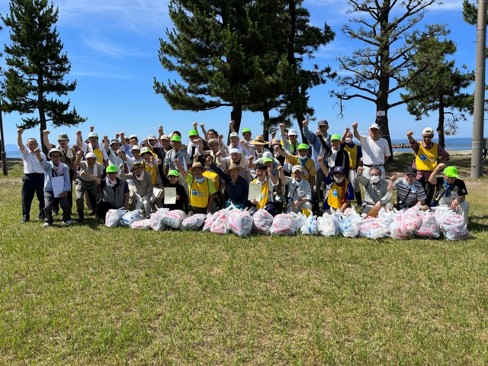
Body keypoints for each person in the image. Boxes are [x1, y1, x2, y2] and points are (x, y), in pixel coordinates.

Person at [406, 127, 449, 204]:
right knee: (416, 191)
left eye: (429, 136)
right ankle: (416, 207)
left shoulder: (436, 147)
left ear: (432, 136)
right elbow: (412, 142)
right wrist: (409, 136)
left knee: (429, 192)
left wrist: (440, 163)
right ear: (422, 136)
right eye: (425, 136)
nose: (427, 138)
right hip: (419, 173)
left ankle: (427, 206)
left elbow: (446, 155)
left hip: (431, 173)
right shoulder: (419, 146)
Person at [36, 148, 72, 227]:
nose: (56, 158)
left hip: (61, 190)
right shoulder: (47, 165)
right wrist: (38, 154)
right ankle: (48, 221)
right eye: (53, 156)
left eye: (57, 156)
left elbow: (67, 180)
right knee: (47, 206)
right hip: (49, 190)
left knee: (65, 204)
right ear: (50, 157)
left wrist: (65, 191)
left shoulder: (64, 167)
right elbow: (41, 161)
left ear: (60, 157)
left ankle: (67, 219)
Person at [42, 130, 76, 210]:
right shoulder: (55, 148)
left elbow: (74, 162)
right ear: (58, 141)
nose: (63, 142)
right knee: (55, 190)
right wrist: (45, 135)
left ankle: (68, 209)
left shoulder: (72, 150)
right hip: (56, 172)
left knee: (68, 191)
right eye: (61, 140)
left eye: (64, 140)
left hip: (68, 172)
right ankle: (55, 209)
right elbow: (47, 144)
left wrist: (75, 172)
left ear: (67, 141)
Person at [18, 128, 46, 223]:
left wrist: (37, 154)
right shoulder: (25, 153)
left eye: (34, 144)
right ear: (27, 145)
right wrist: (19, 134)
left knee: (42, 197)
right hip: (28, 177)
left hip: (40, 177)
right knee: (26, 198)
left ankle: (42, 214)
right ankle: (25, 216)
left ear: (37, 145)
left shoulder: (42, 154)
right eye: (30, 144)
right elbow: (20, 145)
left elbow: (44, 165)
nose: (32, 146)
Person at [74, 151, 104, 222]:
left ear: (95, 159)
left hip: (93, 183)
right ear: (86, 159)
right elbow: (77, 163)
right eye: (88, 159)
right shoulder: (84, 163)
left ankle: (98, 214)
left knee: (99, 198)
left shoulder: (99, 166)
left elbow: (99, 177)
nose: (90, 161)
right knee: (79, 199)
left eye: (92, 159)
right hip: (81, 182)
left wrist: (99, 187)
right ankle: (80, 215)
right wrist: (78, 156)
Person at [342, 127, 363, 205]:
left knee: (355, 184)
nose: (348, 138)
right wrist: (345, 132)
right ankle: (347, 202)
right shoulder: (343, 146)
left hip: (353, 168)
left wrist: (358, 168)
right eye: (347, 136)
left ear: (352, 137)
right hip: (344, 169)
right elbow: (341, 141)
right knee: (345, 185)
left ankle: (359, 201)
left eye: (350, 136)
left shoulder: (357, 147)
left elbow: (359, 159)